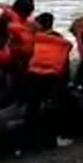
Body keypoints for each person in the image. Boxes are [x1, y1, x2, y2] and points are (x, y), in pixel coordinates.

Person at [24, 13, 73, 149]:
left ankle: (34, 140)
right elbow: (64, 61)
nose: (34, 26)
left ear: (41, 24)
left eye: (37, 23)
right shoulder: (58, 39)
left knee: (35, 107)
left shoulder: (37, 39)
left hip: (38, 76)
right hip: (51, 77)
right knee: (51, 107)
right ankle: (53, 138)